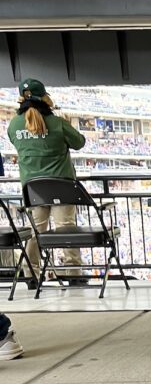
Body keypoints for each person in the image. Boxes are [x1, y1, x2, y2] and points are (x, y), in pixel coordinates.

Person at [6, 78, 87, 287]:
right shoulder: (57, 123)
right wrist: (66, 123)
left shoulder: (14, 125)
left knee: (36, 231)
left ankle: (31, 273)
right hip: (63, 187)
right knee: (66, 228)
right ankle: (73, 272)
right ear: (44, 97)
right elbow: (79, 142)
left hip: (33, 189)